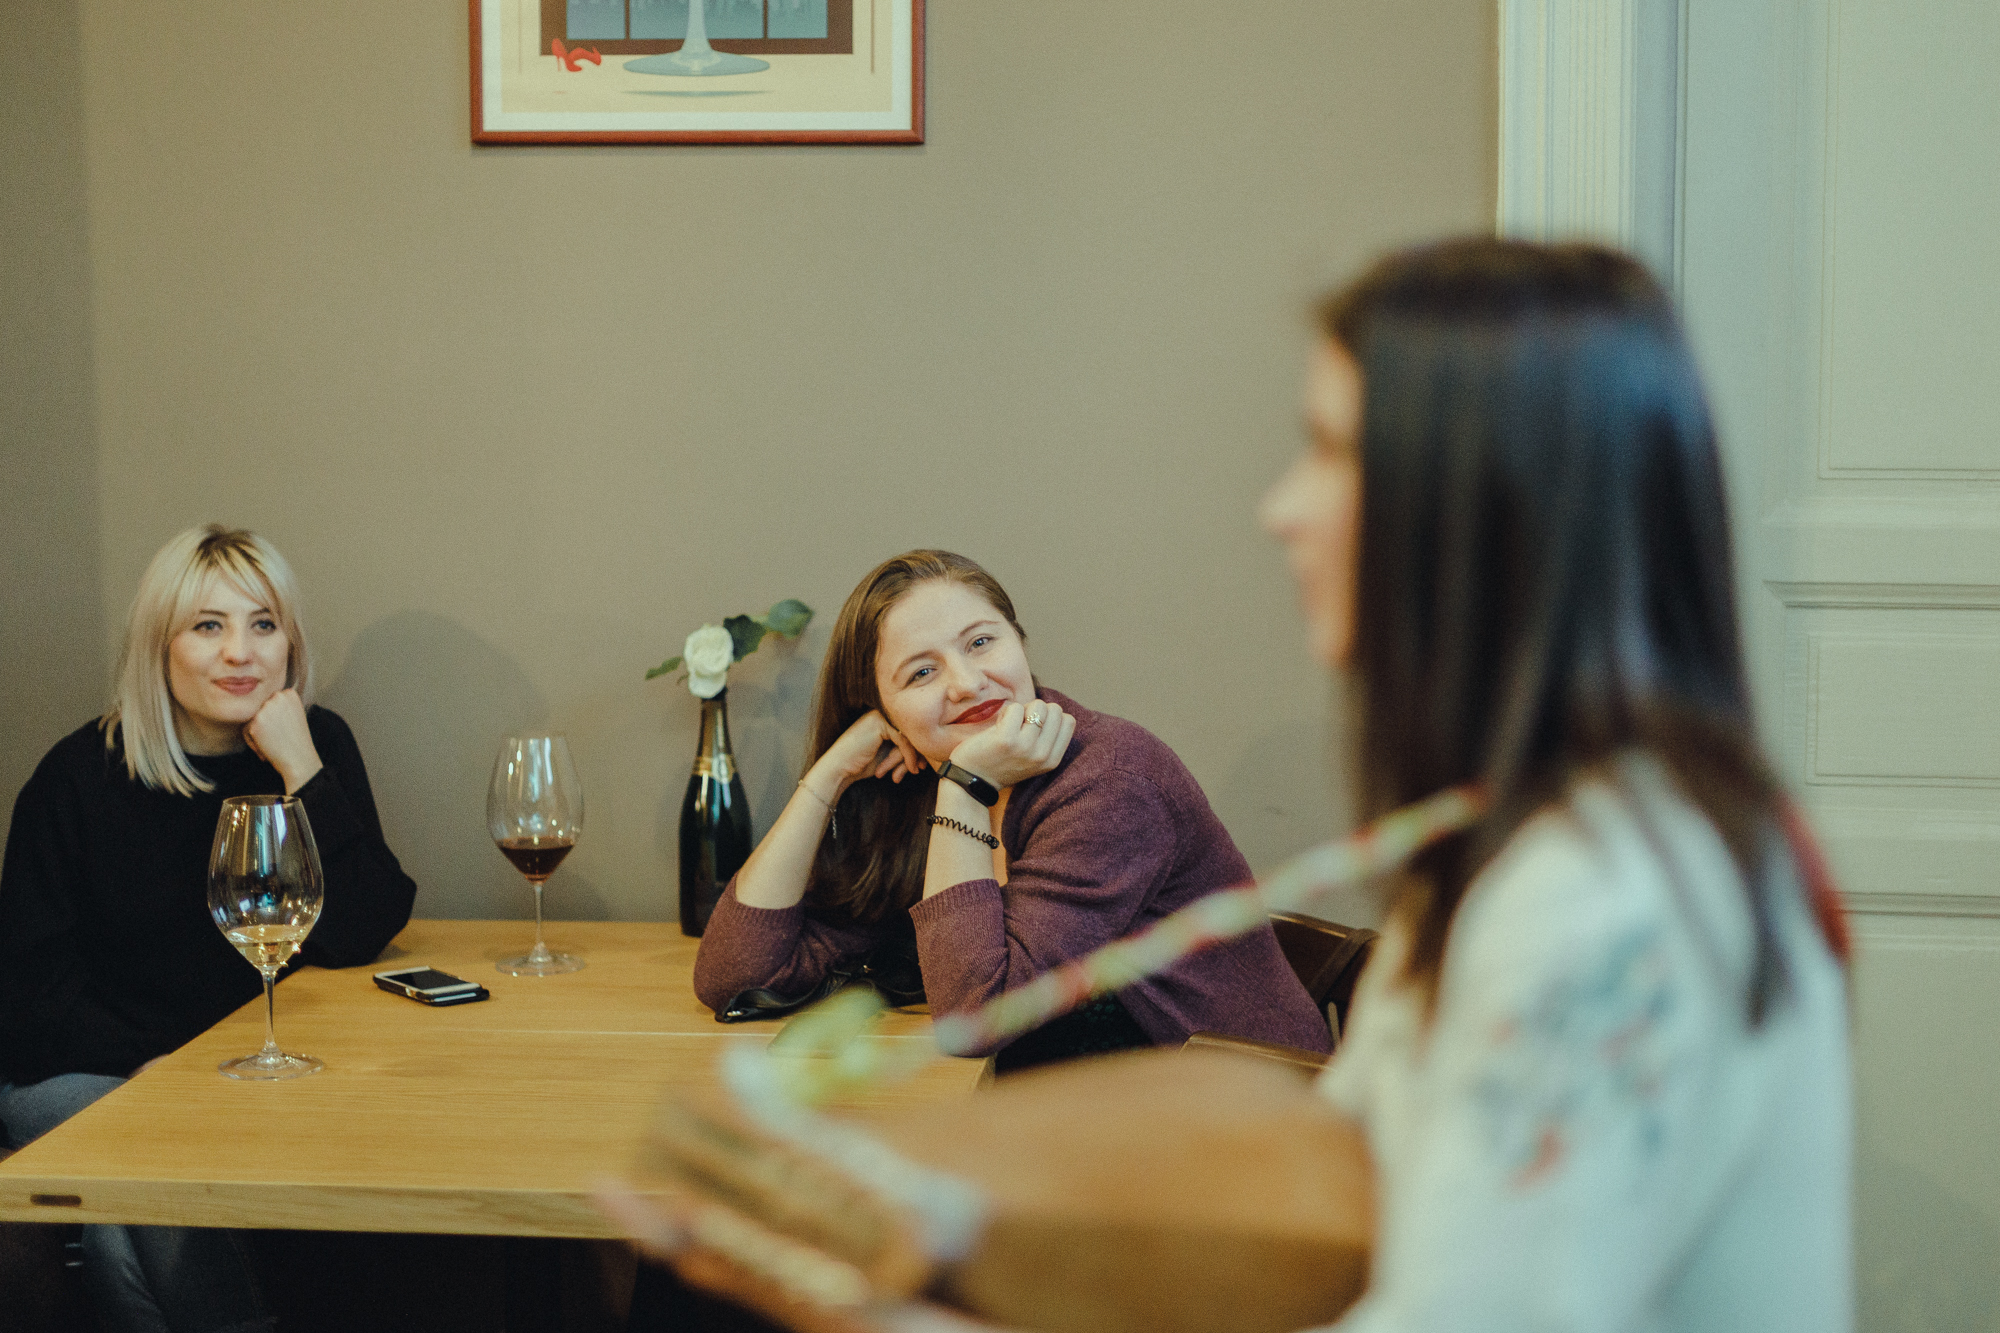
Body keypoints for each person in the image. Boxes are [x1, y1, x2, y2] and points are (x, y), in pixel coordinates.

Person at [614, 238, 1856, 1333]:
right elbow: (1348, 1181)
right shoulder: (1509, 844)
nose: (1277, 508)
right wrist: (921, 1218)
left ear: (1485, 508)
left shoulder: (1598, 903)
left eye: (1329, 450)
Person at [0, 523, 419, 1333]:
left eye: (263, 624)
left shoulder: (315, 744)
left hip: (226, 1084)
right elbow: (29, 1005)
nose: (240, 652)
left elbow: (363, 925)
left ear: (291, 643)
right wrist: (164, 1069)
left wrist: (302, 769)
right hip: (76, 1073)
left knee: (121, 1233)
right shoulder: (78, 778)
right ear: (159, 645)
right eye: (207, 625)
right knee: (163, 1144)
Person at [692, 549, 1331, 1071]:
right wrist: (829, 776)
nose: (967, 683)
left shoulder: (1109, 782)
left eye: (981, 642)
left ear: (1020, 642)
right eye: (920, 674)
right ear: (882, 712)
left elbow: (976, 1020)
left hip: (1244, 1125)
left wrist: (966, 787)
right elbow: (736, 976)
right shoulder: (925, 782)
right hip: (1109, 1108)